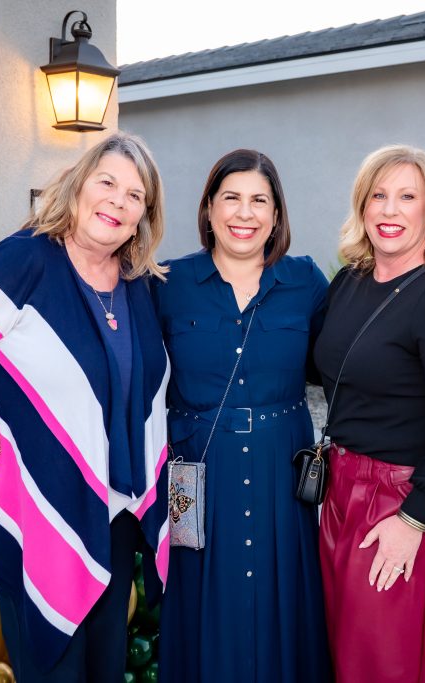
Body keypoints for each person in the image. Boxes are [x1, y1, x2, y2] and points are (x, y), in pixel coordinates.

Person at [0, 133, 172, 681]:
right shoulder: (25, 260)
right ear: (78, 185)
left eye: (135, 195)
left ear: (144, 216)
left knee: (104, 670)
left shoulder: (137, 283)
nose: (118, 201)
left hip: (114, 518)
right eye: (107, 182)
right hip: (38, 514)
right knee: (52, 669)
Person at [313, 144, 425, 682]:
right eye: (378, 196)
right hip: (339, 493)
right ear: (362, 206)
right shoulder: (349, 284)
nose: (390, 210)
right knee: (342, 659)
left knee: (381, 665)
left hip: (399, 501)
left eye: (407, 197)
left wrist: (414, 519)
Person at [154, 149, 331, 682]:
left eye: (259, 200)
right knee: (203, 602)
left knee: (282, 598)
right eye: (231, 197)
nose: (245, 213)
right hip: (197, 476)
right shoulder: (167, 283)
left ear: (276, 215)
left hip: (281, 472)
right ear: (209, 208)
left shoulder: (306, 282)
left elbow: (349, 364)